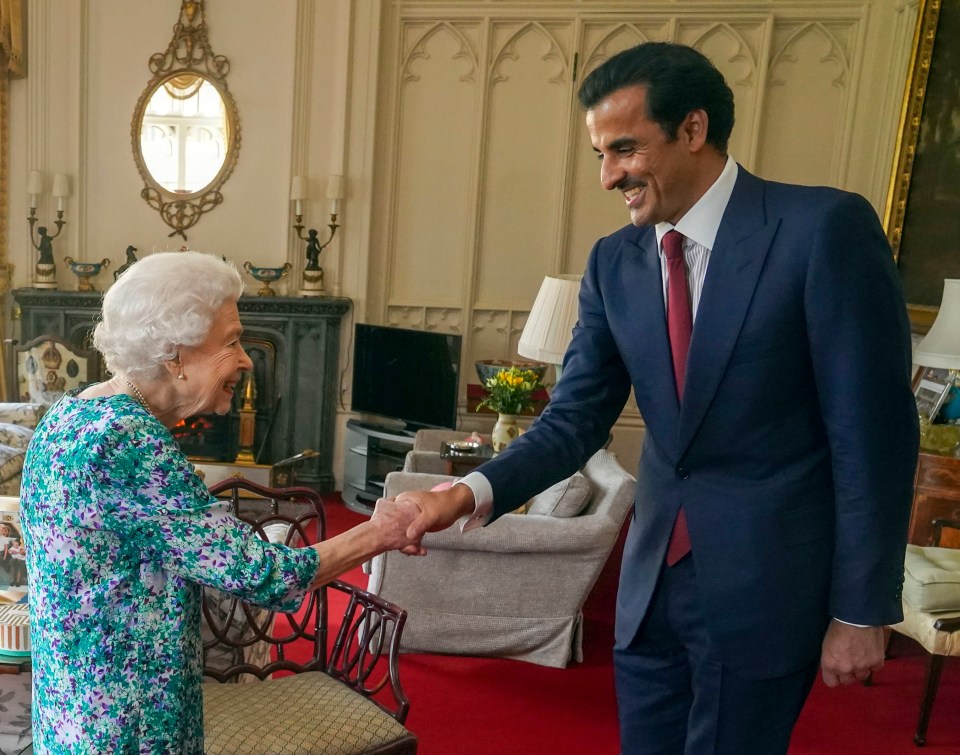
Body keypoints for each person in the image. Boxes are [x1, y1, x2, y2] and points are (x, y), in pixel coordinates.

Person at [393, 42, 920, 753]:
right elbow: (573, 420)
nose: (609, 175)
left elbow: (874, 439)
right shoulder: (614, 262)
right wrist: (463, 495)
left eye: (625, 150)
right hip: (649, 592)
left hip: (767, 587)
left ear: (693, 130)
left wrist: (862, 609)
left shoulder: (822, 231)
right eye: (600, 155)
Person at [19, 251, 422, 754]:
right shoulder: (127, 439)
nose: (248, 358)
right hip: (130, 725)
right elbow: (263, 574)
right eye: (231, 341)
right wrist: (385, 529)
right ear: (175, 355)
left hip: (72, 709)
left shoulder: (70, 414)